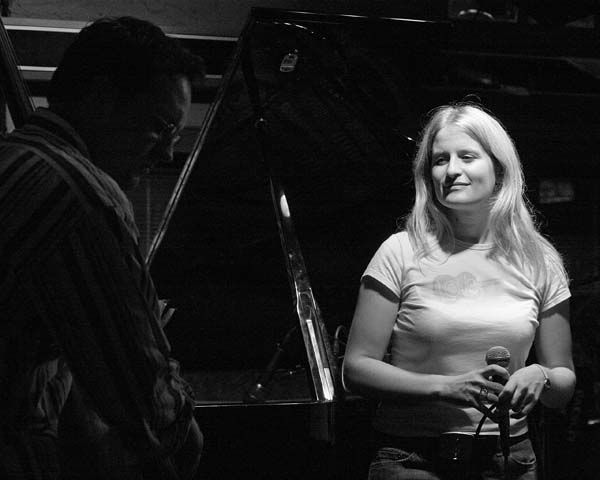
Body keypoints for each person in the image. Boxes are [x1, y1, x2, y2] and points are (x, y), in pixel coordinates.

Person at [0, 16, 205, 480]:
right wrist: (181, 428)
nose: (167, 154)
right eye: (160, 128)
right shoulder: (82, 196)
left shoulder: (13, 157)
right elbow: (142, 400)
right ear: (102, 98)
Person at [342, 103, 576, 480]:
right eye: (440, 160)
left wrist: (541, 375)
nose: (451, 170)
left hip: (508, 459)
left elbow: (563, 381)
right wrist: (445, 387)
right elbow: (356, 369)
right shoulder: (400, 251)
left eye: (467, 156)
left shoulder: (539, 258)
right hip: (412, 459)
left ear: (499, 169)